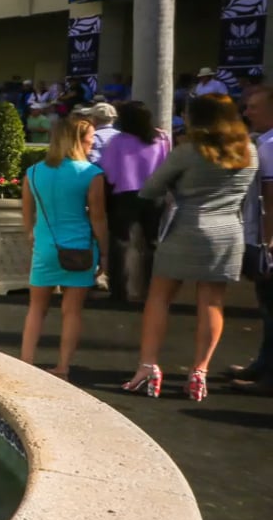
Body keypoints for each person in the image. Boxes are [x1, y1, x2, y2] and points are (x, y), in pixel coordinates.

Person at [124, 94, 259, 401]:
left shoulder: (188, 152)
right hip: (228, 232)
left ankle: (148, 368)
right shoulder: (249, 150)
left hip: (186, 227)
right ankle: (199, 372)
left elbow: (150, 189)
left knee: (159, 298)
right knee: (211, 303)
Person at [20, 116, 109, 379]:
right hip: (80, 249)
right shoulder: (91, 174)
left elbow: (27, 211)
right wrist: (104, 252)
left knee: (36, 308)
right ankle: (63, 368)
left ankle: (24, 362)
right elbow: (98, 217)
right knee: (72, 312)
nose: (93, 142)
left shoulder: (34, 172)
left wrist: (31, 234)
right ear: (79, 140)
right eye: (90, 137)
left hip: (46, 246)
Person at [100, 100, 169, 306]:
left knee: (120, 243)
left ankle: (119, 291)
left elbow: (109, 174)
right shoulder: (161, 138)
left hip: (125, 195)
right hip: (155, 195)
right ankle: (152, 290)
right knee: (153, 244)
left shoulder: (118, 141)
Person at [236, 85, 273, 393]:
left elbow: (271, 199)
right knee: (266, 308)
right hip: (262, 236)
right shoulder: (263, 142)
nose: (247, 112)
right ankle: (262, 365)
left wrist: (267, 243)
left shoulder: (270, 146)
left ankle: (268, 377)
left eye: (254, 107)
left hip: (267, 240)